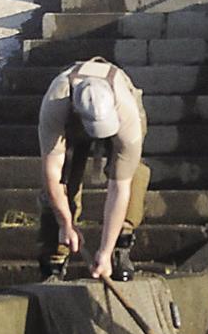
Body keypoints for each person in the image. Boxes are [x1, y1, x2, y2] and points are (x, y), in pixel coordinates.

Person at [37, 57, 149, 282]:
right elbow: (52, 176)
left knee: (133, 173)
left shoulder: (127, 113)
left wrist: (105, 252)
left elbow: (120, 188)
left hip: (121, 108)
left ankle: (121, 244)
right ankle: (56, 253)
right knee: (64, 179)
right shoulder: (56, 102)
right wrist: (65, 224)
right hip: (70, 120)